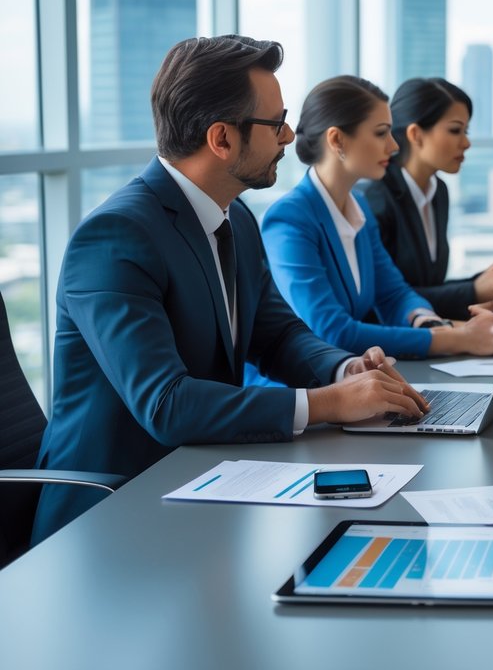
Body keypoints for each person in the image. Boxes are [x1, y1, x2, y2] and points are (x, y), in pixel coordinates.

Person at [34, 36, 429, 543]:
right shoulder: (115, 238)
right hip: (108, 515)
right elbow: (166, 404)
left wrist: (343, 368)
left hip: (203, 482)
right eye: (275, 122)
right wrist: (329, 402)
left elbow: (276, 334)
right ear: (221, 139)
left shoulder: (235, 217)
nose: (289, 135)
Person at [252, 75, 493, 374]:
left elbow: (393, 294)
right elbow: (332, 331)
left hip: (361, 378)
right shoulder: (289, 218)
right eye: (381, 133)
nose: (392, 146)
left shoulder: (359, 207)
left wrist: (428, 321)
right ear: (337, 140)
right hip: (300, 391)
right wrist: (454, 339)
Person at [363, 78, 493, 321]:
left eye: (465, 131)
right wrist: (471, 291)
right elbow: (384, 300)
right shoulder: (377, 199)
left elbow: (425, 285)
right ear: (415, 134)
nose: (466, 142)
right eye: (455, 130)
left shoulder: (438, 191)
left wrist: (478, 286)